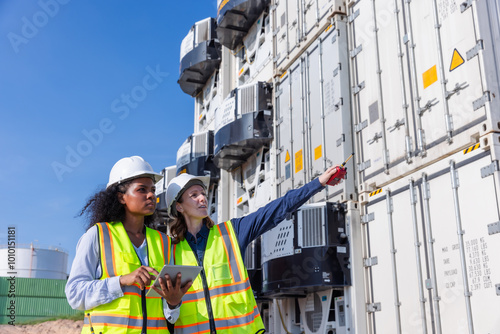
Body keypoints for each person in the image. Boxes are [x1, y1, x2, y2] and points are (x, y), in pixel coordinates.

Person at [163, 166, 344, 334]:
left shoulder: (231, 233)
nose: (202, 198)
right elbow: (166, 314)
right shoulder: (170, 251)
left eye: (203, 193)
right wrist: (172, 305)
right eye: (194, 195)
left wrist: (319, 183)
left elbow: (277, 209)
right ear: (179, 206)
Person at [65, 156, 191, 334]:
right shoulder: (98, 235)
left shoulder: (164, 242)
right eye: (142, 189)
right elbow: (75, 294)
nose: (151, 195)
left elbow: (170, 316)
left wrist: (173, 302)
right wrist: (122, 281)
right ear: (121, 197)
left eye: (153, 190)